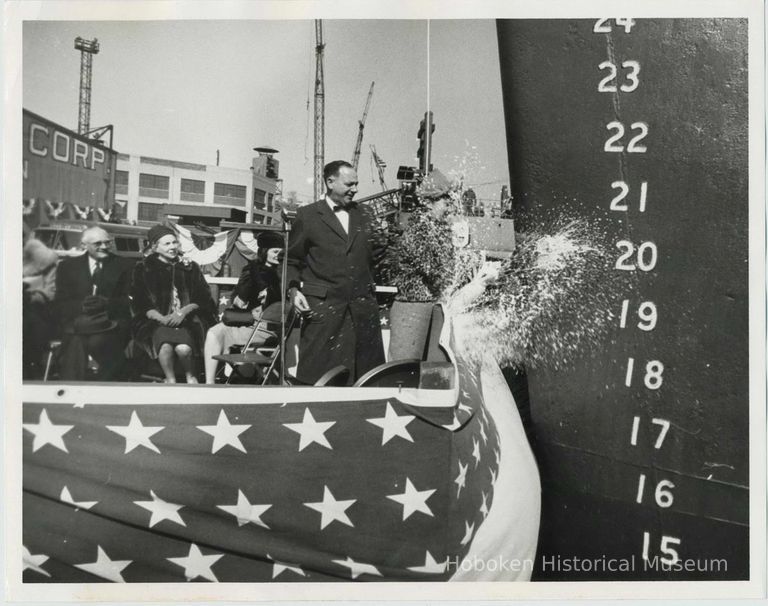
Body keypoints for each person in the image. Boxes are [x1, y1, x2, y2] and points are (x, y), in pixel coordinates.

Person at [287, 160, 385, 384]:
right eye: (349, 184)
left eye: (357, 184)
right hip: (324, 311)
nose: (356, 189)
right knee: (318, 376)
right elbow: (291, 259)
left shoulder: (366, 214)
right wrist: (293, 290)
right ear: (330, 182)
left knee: (367, 378)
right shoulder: (307, 216)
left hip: (362, 311)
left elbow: (376, 255)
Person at [130, 225, 216, 383]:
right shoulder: (143, 268)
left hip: (188, 319)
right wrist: (159, 318)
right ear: (155, 247)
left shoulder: (190, 267)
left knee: (184, 349)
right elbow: (139, 300)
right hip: (154, 321)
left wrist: (183, 312)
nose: (173, 247)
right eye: (167, 244)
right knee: (165, 347)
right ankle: (171, 380)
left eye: (174, 243)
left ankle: (192, 377)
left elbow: (203, 297)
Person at [204, 230, 285, 384]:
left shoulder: (284, 273)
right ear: (264, 251)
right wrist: (244, 290)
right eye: (275, 252)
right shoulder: (251, 269)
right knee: (214, 332)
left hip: (269, 326)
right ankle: (210, 383)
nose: (278, 256)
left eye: (281, 253)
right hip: (247, 321)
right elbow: (238, 297)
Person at [54, 226, 133, 381]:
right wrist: (81, 305)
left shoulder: (125, 266)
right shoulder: (68, 267)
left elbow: (132, 300)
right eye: (98, 243)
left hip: (112, 322)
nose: (104, 247)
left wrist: (107, 303)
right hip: (79, 321)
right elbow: (60, 302)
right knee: (78, 340)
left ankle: (86, 386)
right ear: (84, 245)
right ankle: (78, 387)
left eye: (107, 243)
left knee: (92, 341)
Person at [22, 229, 58, 379]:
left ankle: (30, 367)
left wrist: (30, 296)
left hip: (35, 310)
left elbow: (51, 291)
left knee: (31, 325)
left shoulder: (48, 263)